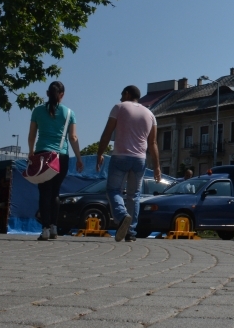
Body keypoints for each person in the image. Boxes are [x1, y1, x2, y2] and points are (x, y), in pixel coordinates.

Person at [96, 85, 160, 242]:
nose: (120, 98)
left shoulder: (119, 107)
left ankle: (122, 215)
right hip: (140, 159)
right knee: (134, 195)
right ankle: (130, 232)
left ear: (127, 94)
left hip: (120, 156)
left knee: (113, 190)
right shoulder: (150, 114)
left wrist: (100, 153)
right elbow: (153, 143)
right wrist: (157, 166)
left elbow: (107, 133)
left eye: (121, 94)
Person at [29, 81, 84, 241]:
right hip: (61, 156)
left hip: (42, 154)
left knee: (44, 193)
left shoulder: (37, 111)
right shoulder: (69, 113)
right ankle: (54, 227)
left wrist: (31, 152)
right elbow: (73, 137)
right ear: (62, 95)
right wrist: (79, 158)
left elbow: (32, 135)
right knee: (55, 193)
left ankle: (45, 229)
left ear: (47, 93)